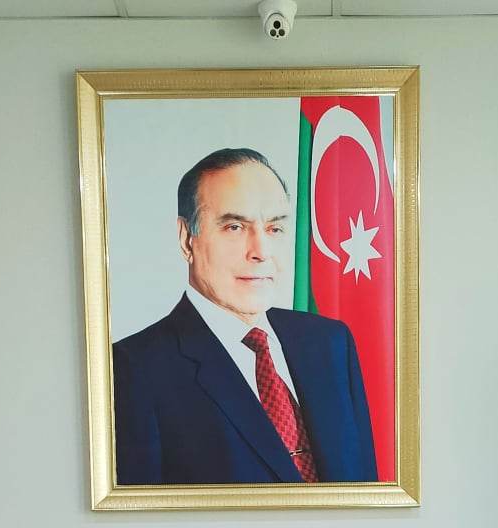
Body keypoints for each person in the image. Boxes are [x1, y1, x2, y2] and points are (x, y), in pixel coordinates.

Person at [112, 148, 376, 486]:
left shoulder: (330, 343)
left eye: (274, 229)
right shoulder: (135, 369)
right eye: (235, 227)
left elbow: (366, 494)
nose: (261, 252)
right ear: (186, 239)